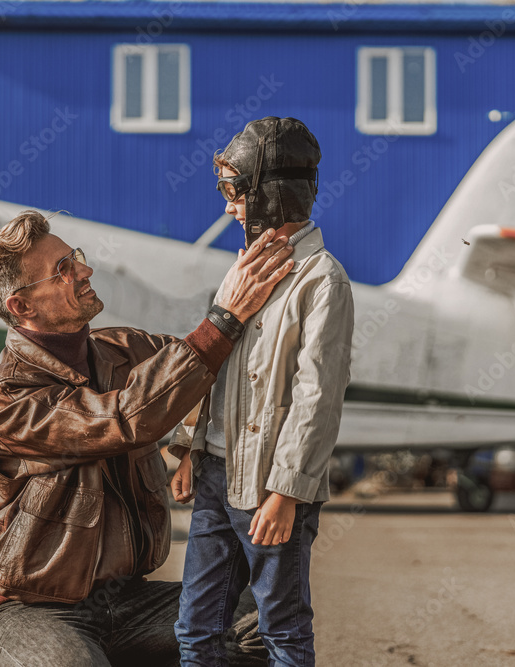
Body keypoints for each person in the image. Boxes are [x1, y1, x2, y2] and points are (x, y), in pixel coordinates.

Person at [0, 208, 295, 666]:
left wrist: (189, 443)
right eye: (63, 270)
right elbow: (120, 419)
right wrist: (224, 315)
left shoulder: (126, 349)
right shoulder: (5, 399)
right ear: (22, 307)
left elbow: (206, 373)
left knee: (263, 617)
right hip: (36, 611)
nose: (85, 270)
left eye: (75, 257)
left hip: (131, 602)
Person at [170, 117, 356, 666]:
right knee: (193, 629)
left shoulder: (322, 280)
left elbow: (317, 397)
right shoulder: (243, 269)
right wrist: (188, 448)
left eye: (234, 192)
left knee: (282, 630)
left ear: (270, 193)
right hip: (213, 478)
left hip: (271, 490)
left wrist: (287, 494)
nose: (228, 207)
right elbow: (215, 362)